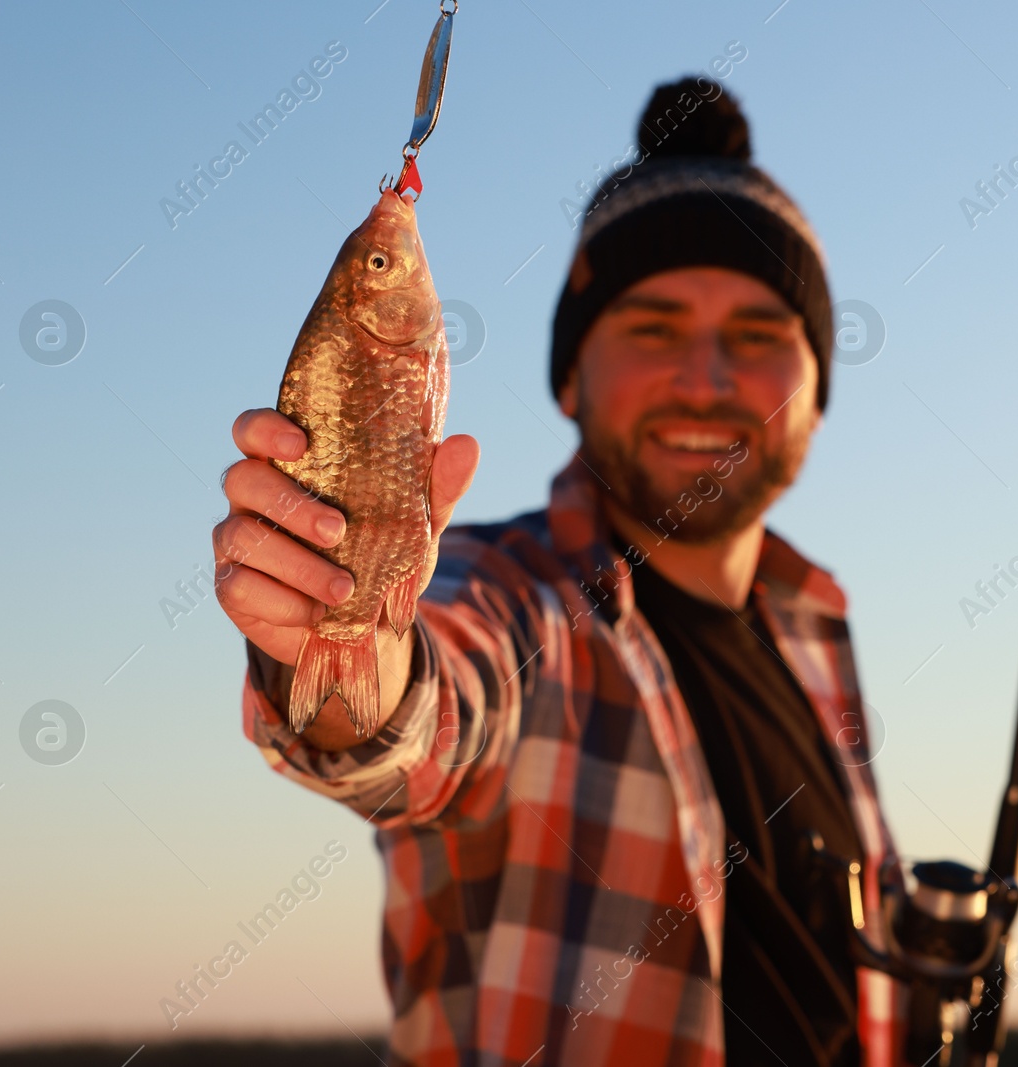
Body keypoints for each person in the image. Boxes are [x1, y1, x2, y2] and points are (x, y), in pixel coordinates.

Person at [214, 77, 909, 1066]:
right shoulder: (510, 593)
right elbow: (419, 714)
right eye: (653, 327)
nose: (706, 376)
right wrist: (344, 653)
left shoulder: (814, 626)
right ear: (571, 375)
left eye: (756, 336)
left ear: (816, 389)